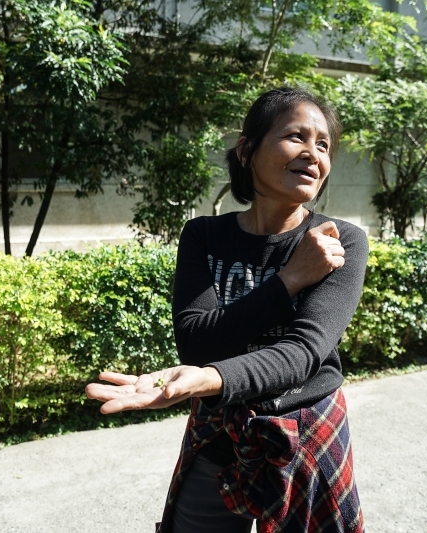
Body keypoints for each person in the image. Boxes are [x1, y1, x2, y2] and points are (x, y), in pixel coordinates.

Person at [85, 87, 369, 533]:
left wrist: (208, 377)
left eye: (323, 144)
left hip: (307, 430)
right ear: (247, 151)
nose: (312, 154)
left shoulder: (340, 240)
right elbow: (197, 340)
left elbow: (303, 352)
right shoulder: (203, 236)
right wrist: (290, 279)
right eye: (296, 136)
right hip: (219, 426)